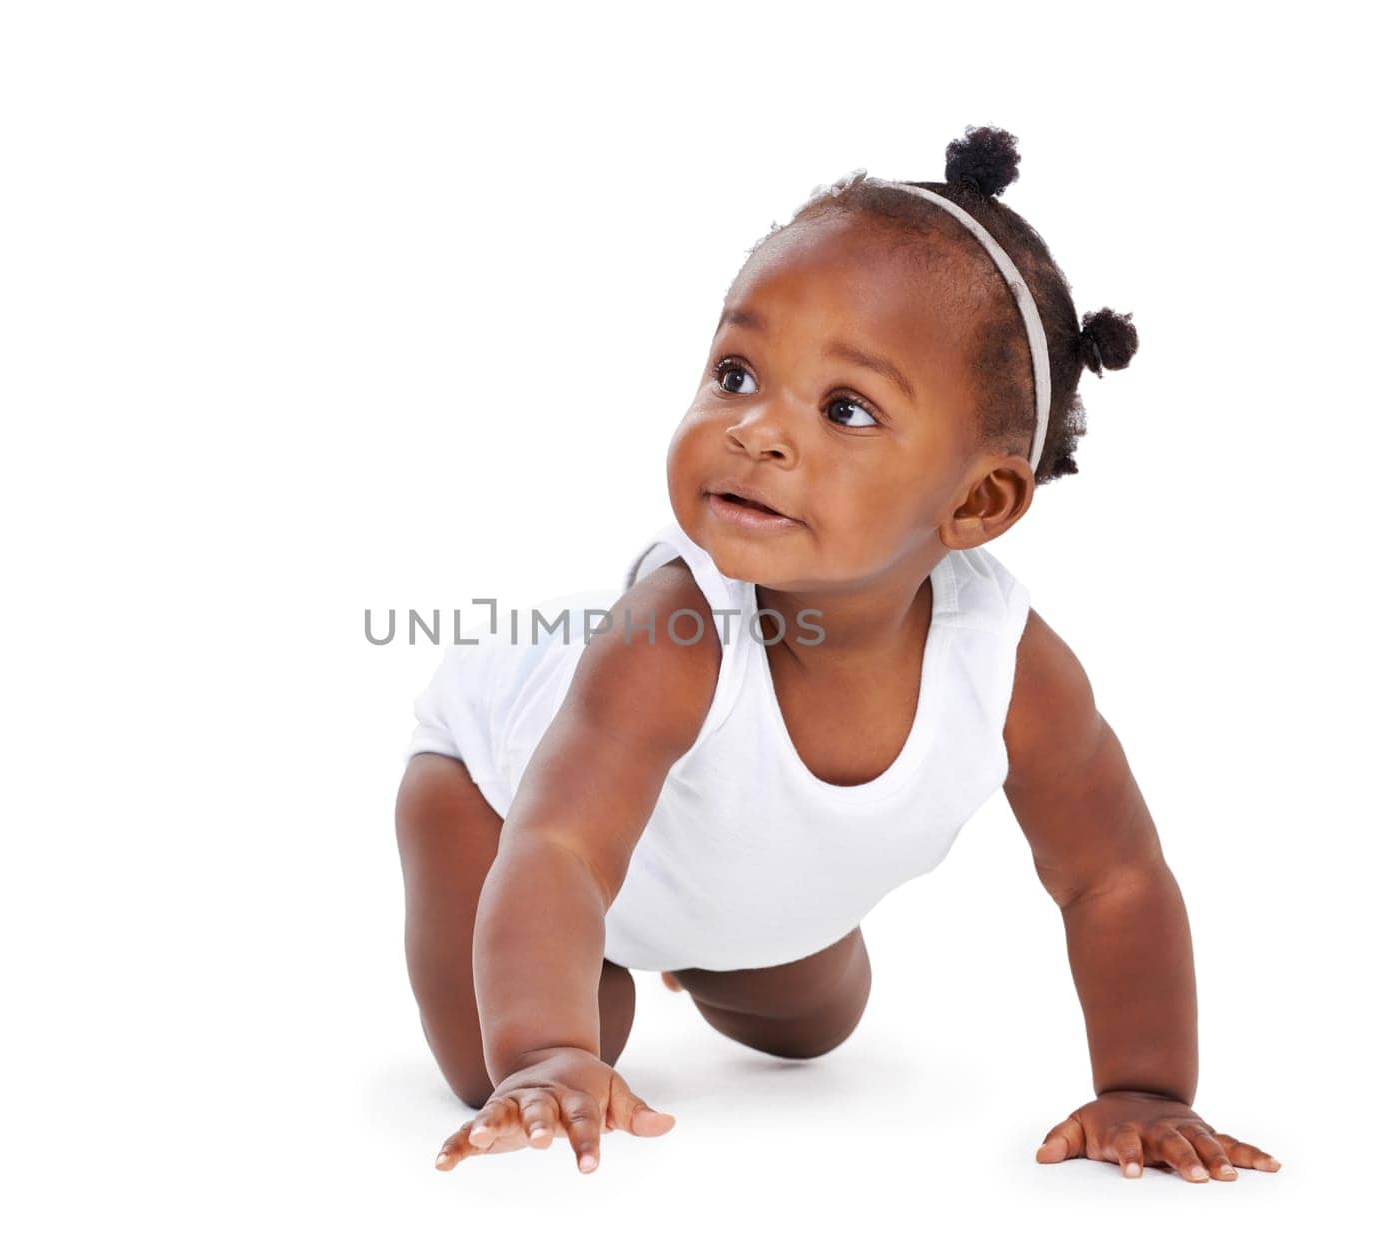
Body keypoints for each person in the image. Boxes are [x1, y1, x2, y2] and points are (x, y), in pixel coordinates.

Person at [393, 124, 1282, 1183]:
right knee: (572, 1032)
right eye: (734, 372)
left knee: (814, 1024)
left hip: (716, 865)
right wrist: (546, 1052)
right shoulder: (670, 636)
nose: (756, 431)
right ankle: (594, 988)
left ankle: (691, 938)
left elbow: (1114, 876)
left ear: (976, 501)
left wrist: (1145, 1086)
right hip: (496, 802)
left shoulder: (1005, 666)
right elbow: (561, 849)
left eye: (844, 407)